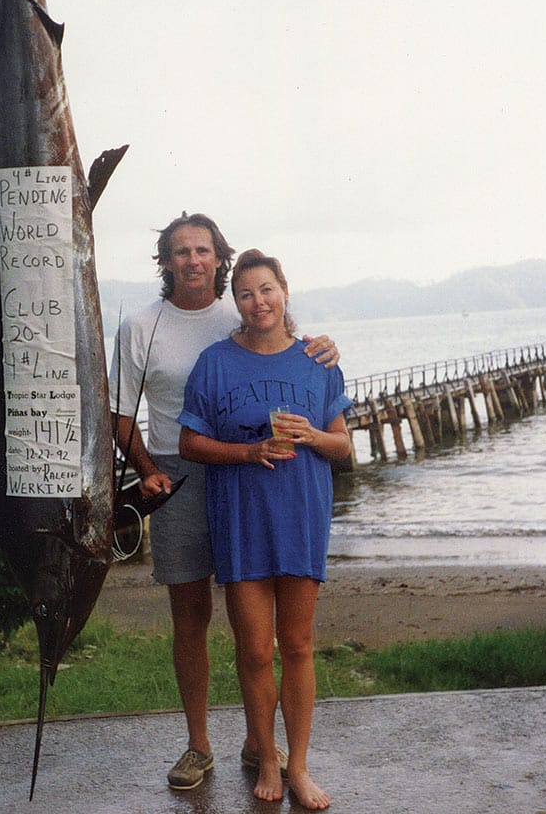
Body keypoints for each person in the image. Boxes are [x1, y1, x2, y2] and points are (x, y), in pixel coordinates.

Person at [108, 214, 340, 791]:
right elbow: (119, 414)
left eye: (203, 250)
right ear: (165, 262)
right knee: (191, 617)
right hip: (181, 473)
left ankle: (260, 741)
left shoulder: (243, 306)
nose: (192, 260)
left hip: (261, 479)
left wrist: (326, 345)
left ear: (220, 259)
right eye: (180, 251)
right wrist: (147, 471)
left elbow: (288, 349)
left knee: (256, 628)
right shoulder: (141, 325)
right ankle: (198, 745)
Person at [177, 248, 352, 810]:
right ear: (236, 302)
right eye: (247, 293)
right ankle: (267, 754)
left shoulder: (317, 361)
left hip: (301, 516)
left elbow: (343, 445)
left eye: (268, 289)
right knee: (254, 650)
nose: (259, 301)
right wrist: (248, 450)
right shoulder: (215, 362)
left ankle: (298, 767)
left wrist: (310, 435)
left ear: (285, 293)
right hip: (241, 519)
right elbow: (190, 443)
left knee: (298, 645)